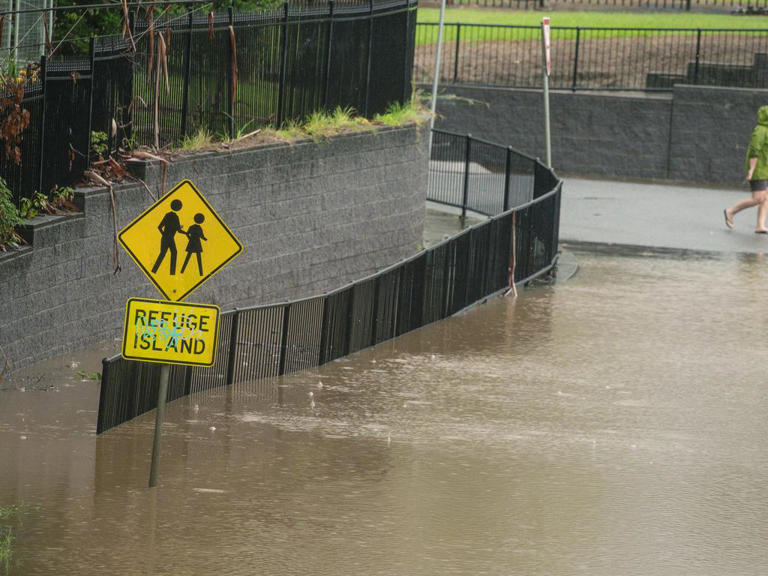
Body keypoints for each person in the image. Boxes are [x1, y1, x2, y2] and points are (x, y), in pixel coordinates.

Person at [724, 106, 768, 234]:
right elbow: (755, 151)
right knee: (758, 198)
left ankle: (760, 225)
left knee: (766, 198)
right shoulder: (760, 131)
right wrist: (751, 170)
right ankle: (731, 211)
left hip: (766, 169)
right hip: (759, 170)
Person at [151, 199, 184, 275]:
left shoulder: (167, 215)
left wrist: (164, 235)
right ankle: (172, 273)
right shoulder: (176, 217)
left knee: (163, 254)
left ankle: (154, 270)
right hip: (170, 238)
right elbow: (178, 230)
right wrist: (186, 233)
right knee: (174, 253)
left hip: (165, 238)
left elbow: (160, 227)